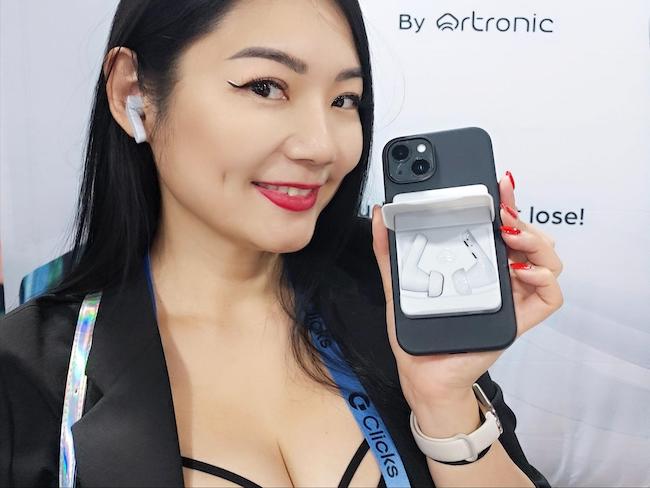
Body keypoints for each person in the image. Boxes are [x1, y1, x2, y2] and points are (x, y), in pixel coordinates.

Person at [0, 0, 564, 486]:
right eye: (266, 87)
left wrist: (445, 404)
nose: (321, 147)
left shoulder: (390, 287)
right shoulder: (29, 373)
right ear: (134, 91)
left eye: (345, 99)